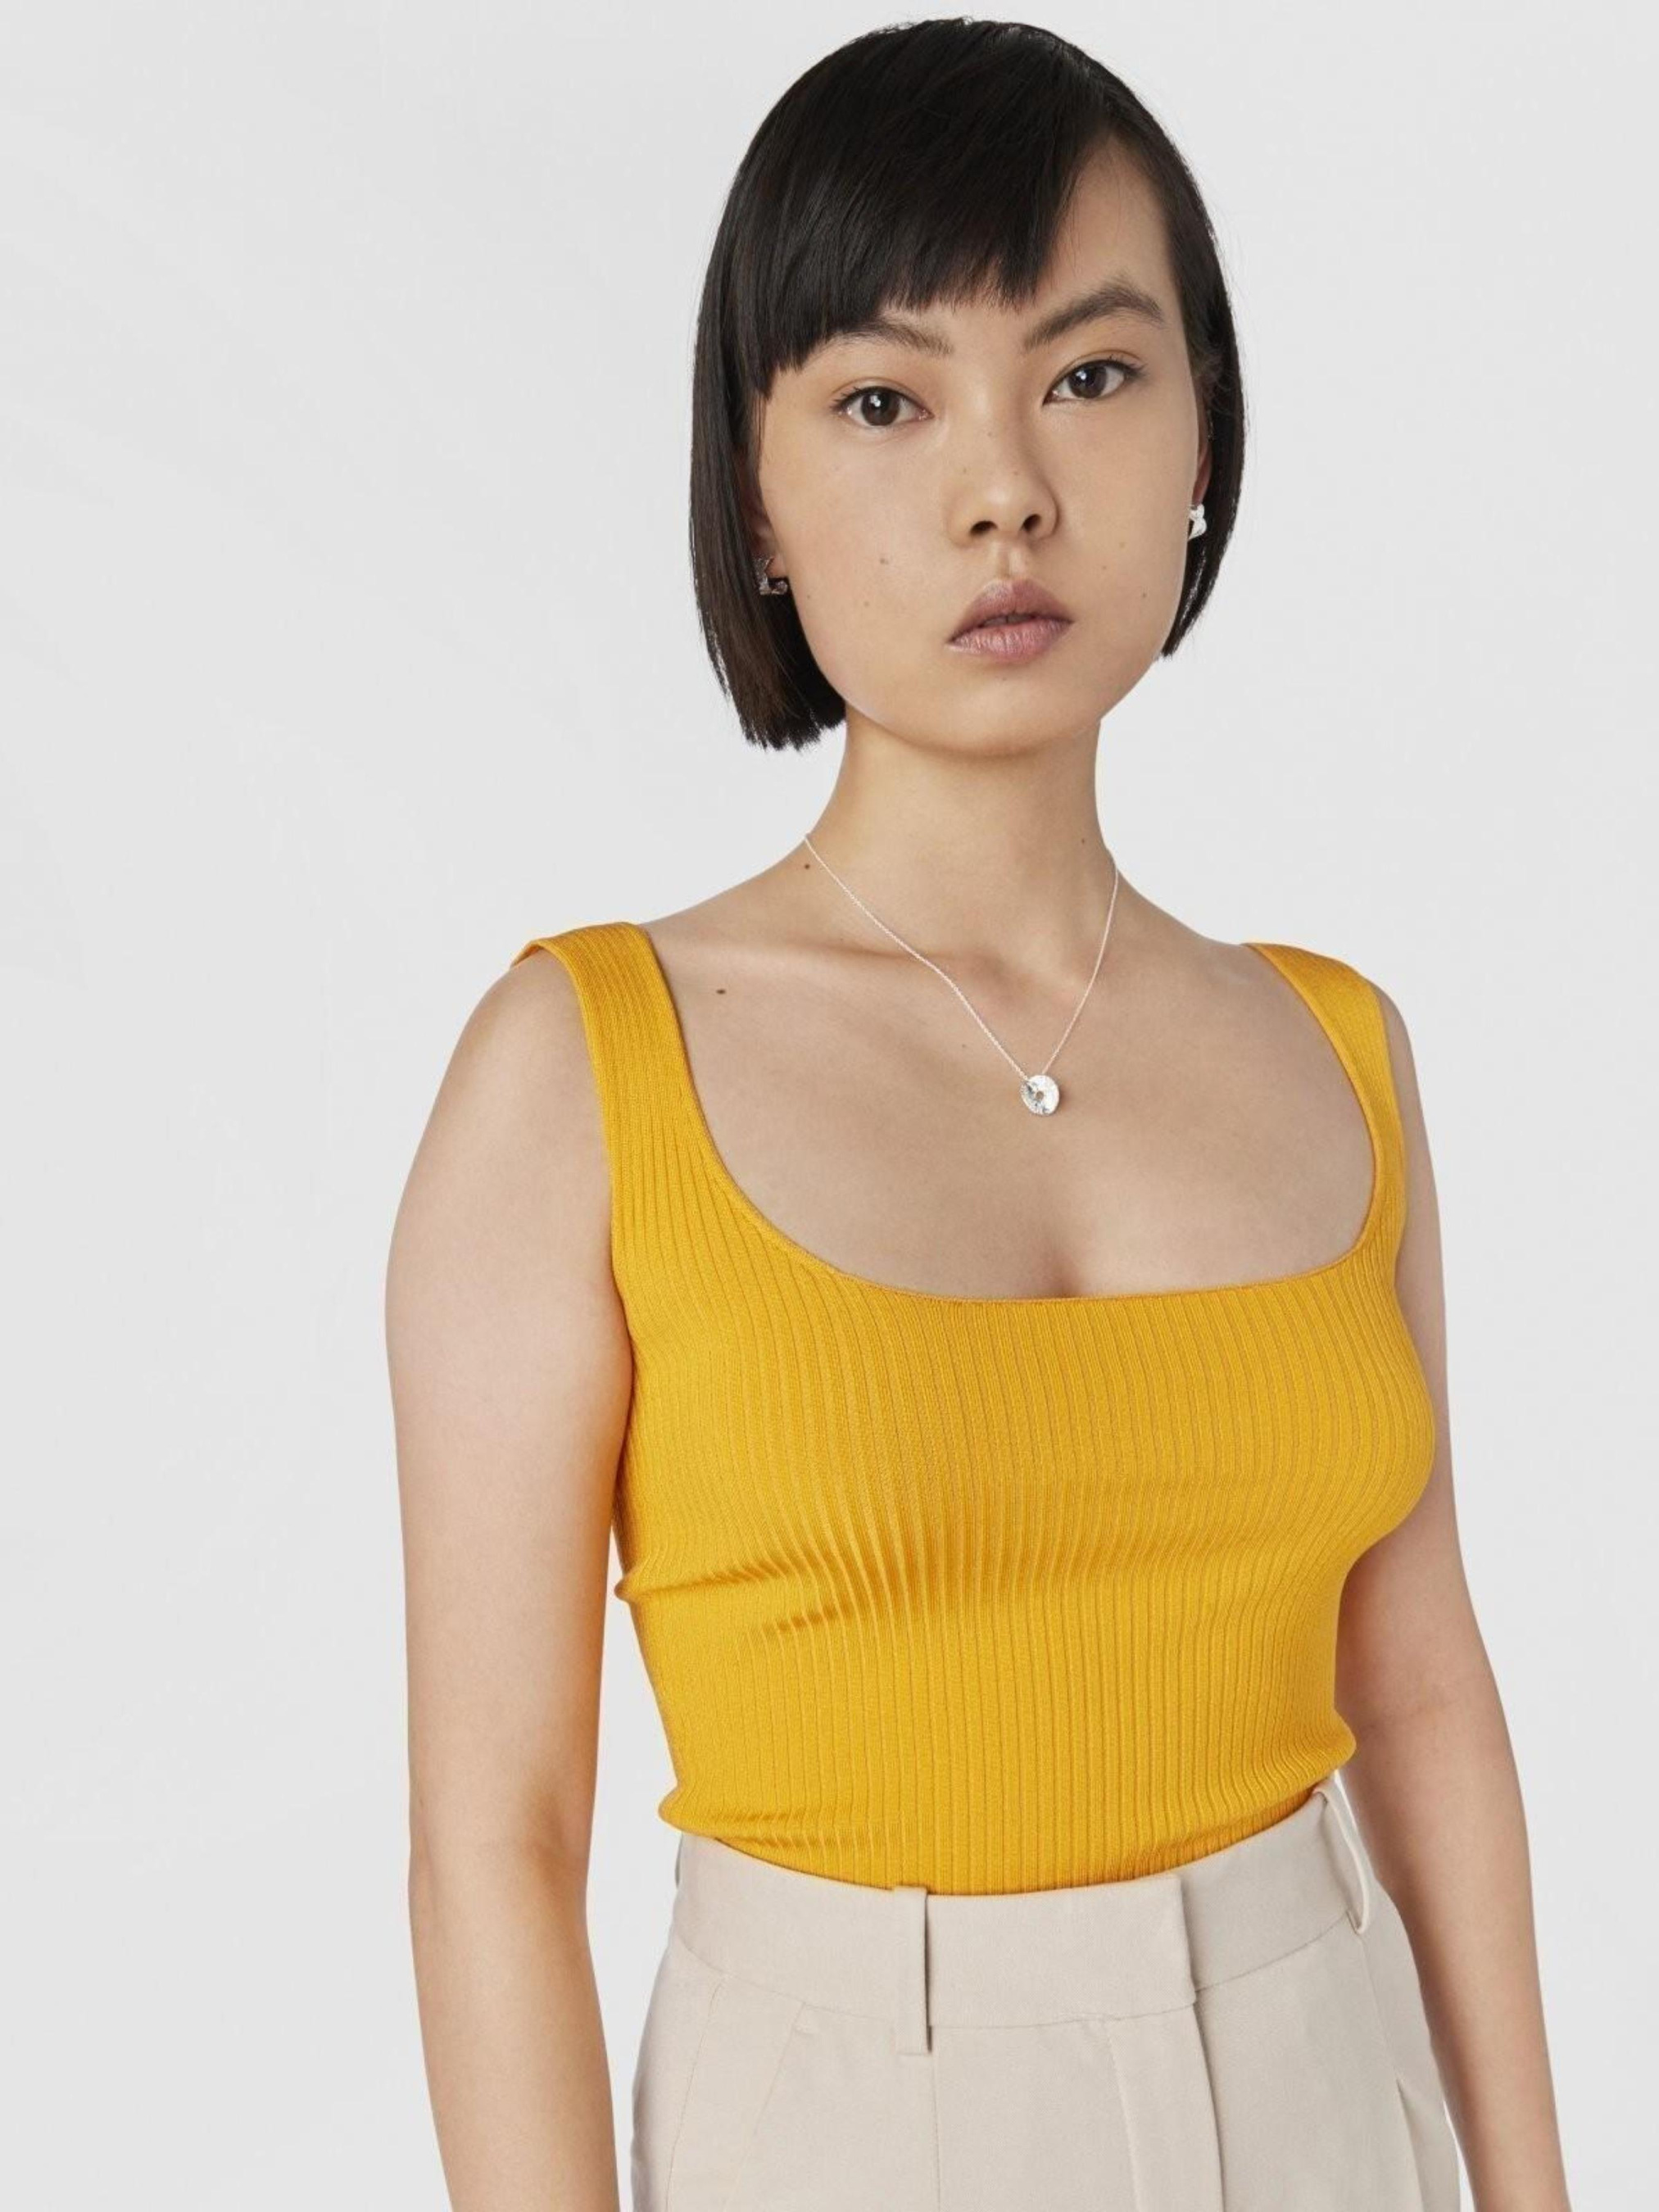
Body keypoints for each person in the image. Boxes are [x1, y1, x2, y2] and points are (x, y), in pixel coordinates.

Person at [385, 20, 1571, 2210]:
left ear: (1205, 431)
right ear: (755, 492)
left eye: (1091, 374)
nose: (1004, 487)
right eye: (884, 400)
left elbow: (1423, 1706)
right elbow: (495, 1840)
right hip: (848, 2124)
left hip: (1334, 2090)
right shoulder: (576, 1073)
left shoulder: (1336, 1049)